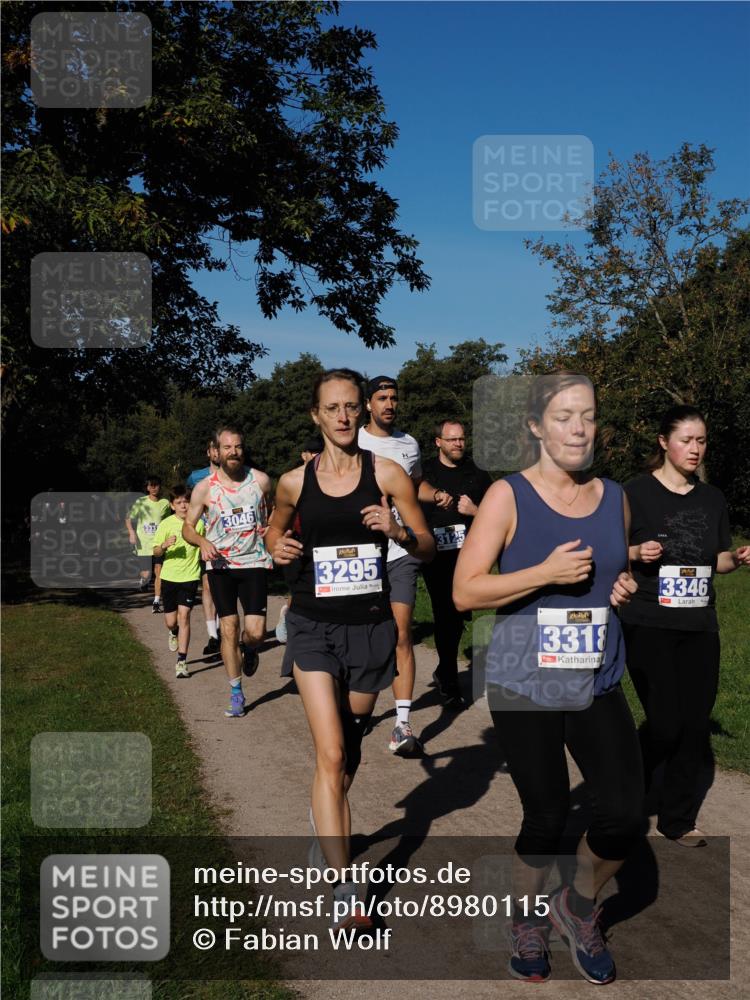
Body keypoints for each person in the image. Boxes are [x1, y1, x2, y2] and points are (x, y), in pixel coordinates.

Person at [453, 370, 641, 985]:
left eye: (587, 415)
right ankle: (526, 920)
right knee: (547, 815)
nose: (579, 428)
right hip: (523, 679)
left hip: (594, 676)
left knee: (622, 813)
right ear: (535, 426)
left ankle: (576, 905)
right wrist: (544, 572)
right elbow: (464, 591)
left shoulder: (615, 496)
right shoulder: (508, 495)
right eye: (564, 416)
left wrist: (622, 586)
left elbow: (612, 573)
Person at [266, 368, 434, 927]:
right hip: (313, 625)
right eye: (331, 407)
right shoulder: (294, 481)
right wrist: (278, 547)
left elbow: (428, 546)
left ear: (362, 412)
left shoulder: (387, 474)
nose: (342, 416)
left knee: (350, 752)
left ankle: (326, 816)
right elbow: (275, 530)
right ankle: (344, 888)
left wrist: (397, 530)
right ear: (316, 416)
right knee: (331, 753)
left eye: (350, 407)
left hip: (369, 627)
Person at [620, 405, 750, 847]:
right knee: (665, 723)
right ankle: (624, 795)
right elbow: (611, 551)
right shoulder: (633, 493)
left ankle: (676, 819)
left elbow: (716, 559)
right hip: (646, 620)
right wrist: (637, 554)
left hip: (699, 623)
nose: (695, 449)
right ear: (663, 442)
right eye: (686, 440)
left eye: (701, 441)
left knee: (694, 726)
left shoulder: (711, 498)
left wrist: (738, 558)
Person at [358, 376, 451, 755]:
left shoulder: (409, 444)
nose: (389, 404)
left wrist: (437, 494)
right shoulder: (354, 441)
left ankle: (401, 725)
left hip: (401, 549)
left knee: (401, 633)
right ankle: (358, 707)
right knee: (361, 635)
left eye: (394, 397)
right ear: (368, 404)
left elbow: (415, 487)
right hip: (361, 553)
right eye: (382, 397)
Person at [183, 427, 273, 718]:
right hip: (221, 566)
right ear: (216, 452)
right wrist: (201, 540)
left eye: (237, 447)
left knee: (256, 632)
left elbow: (271, 512)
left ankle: (251, 650)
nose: (233, 451)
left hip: (254, 562)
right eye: (226, 447)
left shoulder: (260, 480)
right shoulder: (204, 488)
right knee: (230, 629)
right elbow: (187, 527)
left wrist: (269, 529)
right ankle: (236, 692)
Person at [420, 418, 493, 709]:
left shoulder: (477, 474)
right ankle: (449, 679)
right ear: (439, 442)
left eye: (461, 439)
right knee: (444, 611)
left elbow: (496, 512)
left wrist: (474, 511)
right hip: (436, 555)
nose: (458, 444)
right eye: (452, 439)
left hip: (469, 555)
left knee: (459, 612)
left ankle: (443, 669)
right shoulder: (425, 472)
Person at [275, 434, 324, 645]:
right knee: (299, 590)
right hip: (297, 542)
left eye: (319, 452)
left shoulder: (334, 480)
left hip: (323, 543)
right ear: (303, 455)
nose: (315, 456)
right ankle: (290, 618)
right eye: (312, 452)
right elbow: (276, 520)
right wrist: (278, 539)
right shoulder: (291, 481)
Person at [153, 485, 205, 678]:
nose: (183, 506)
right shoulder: (166, 524)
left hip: (190, 577)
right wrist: (165, 546)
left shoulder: (199, 524)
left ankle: (182, 662)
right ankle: (172, 632)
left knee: (184, 617)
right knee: (171, 621)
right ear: (173, 506)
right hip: (169, 578)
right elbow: (155, 551)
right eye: (179, 502)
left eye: (186, 501)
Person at [187, 438, 222, 656]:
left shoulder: (236, 476)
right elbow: (188, 503)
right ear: (208, 452)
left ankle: (223, 626)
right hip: (206, 536)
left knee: (225, 585)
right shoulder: (196, 477)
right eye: (214, 448)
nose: (218, 452)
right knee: (208, 585)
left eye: (221, 447)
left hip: (230, 538)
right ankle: (213, 635)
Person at [125, 476, 170, 612]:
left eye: (156, 485)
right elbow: (128, 519)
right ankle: (143, 581)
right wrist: (131, 533)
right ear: (147, 488)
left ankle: (156, 601)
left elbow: (167, 522)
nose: (154, 488)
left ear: (160, 487)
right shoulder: (141, 502)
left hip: (158, 543)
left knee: (159, 571)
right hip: (143, 542)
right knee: (146, 573)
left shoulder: (165, 503)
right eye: (151, 485)